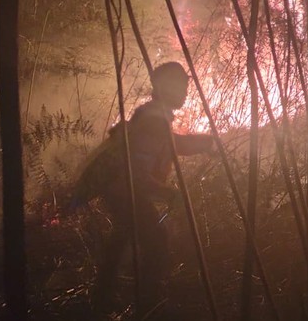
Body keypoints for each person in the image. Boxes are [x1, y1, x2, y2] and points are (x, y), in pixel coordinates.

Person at [73, 62, 212, 315]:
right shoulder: (154, 120)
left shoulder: (154, 115)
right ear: (166, 87)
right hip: (126, 192)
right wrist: (169, 193)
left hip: (120, 190)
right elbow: (137, 173)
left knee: (123, 238)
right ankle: (149, 306)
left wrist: (206, 143)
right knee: (157, 240)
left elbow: (173, 144)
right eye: (181, 86)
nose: (186, 92)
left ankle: (101, 301)